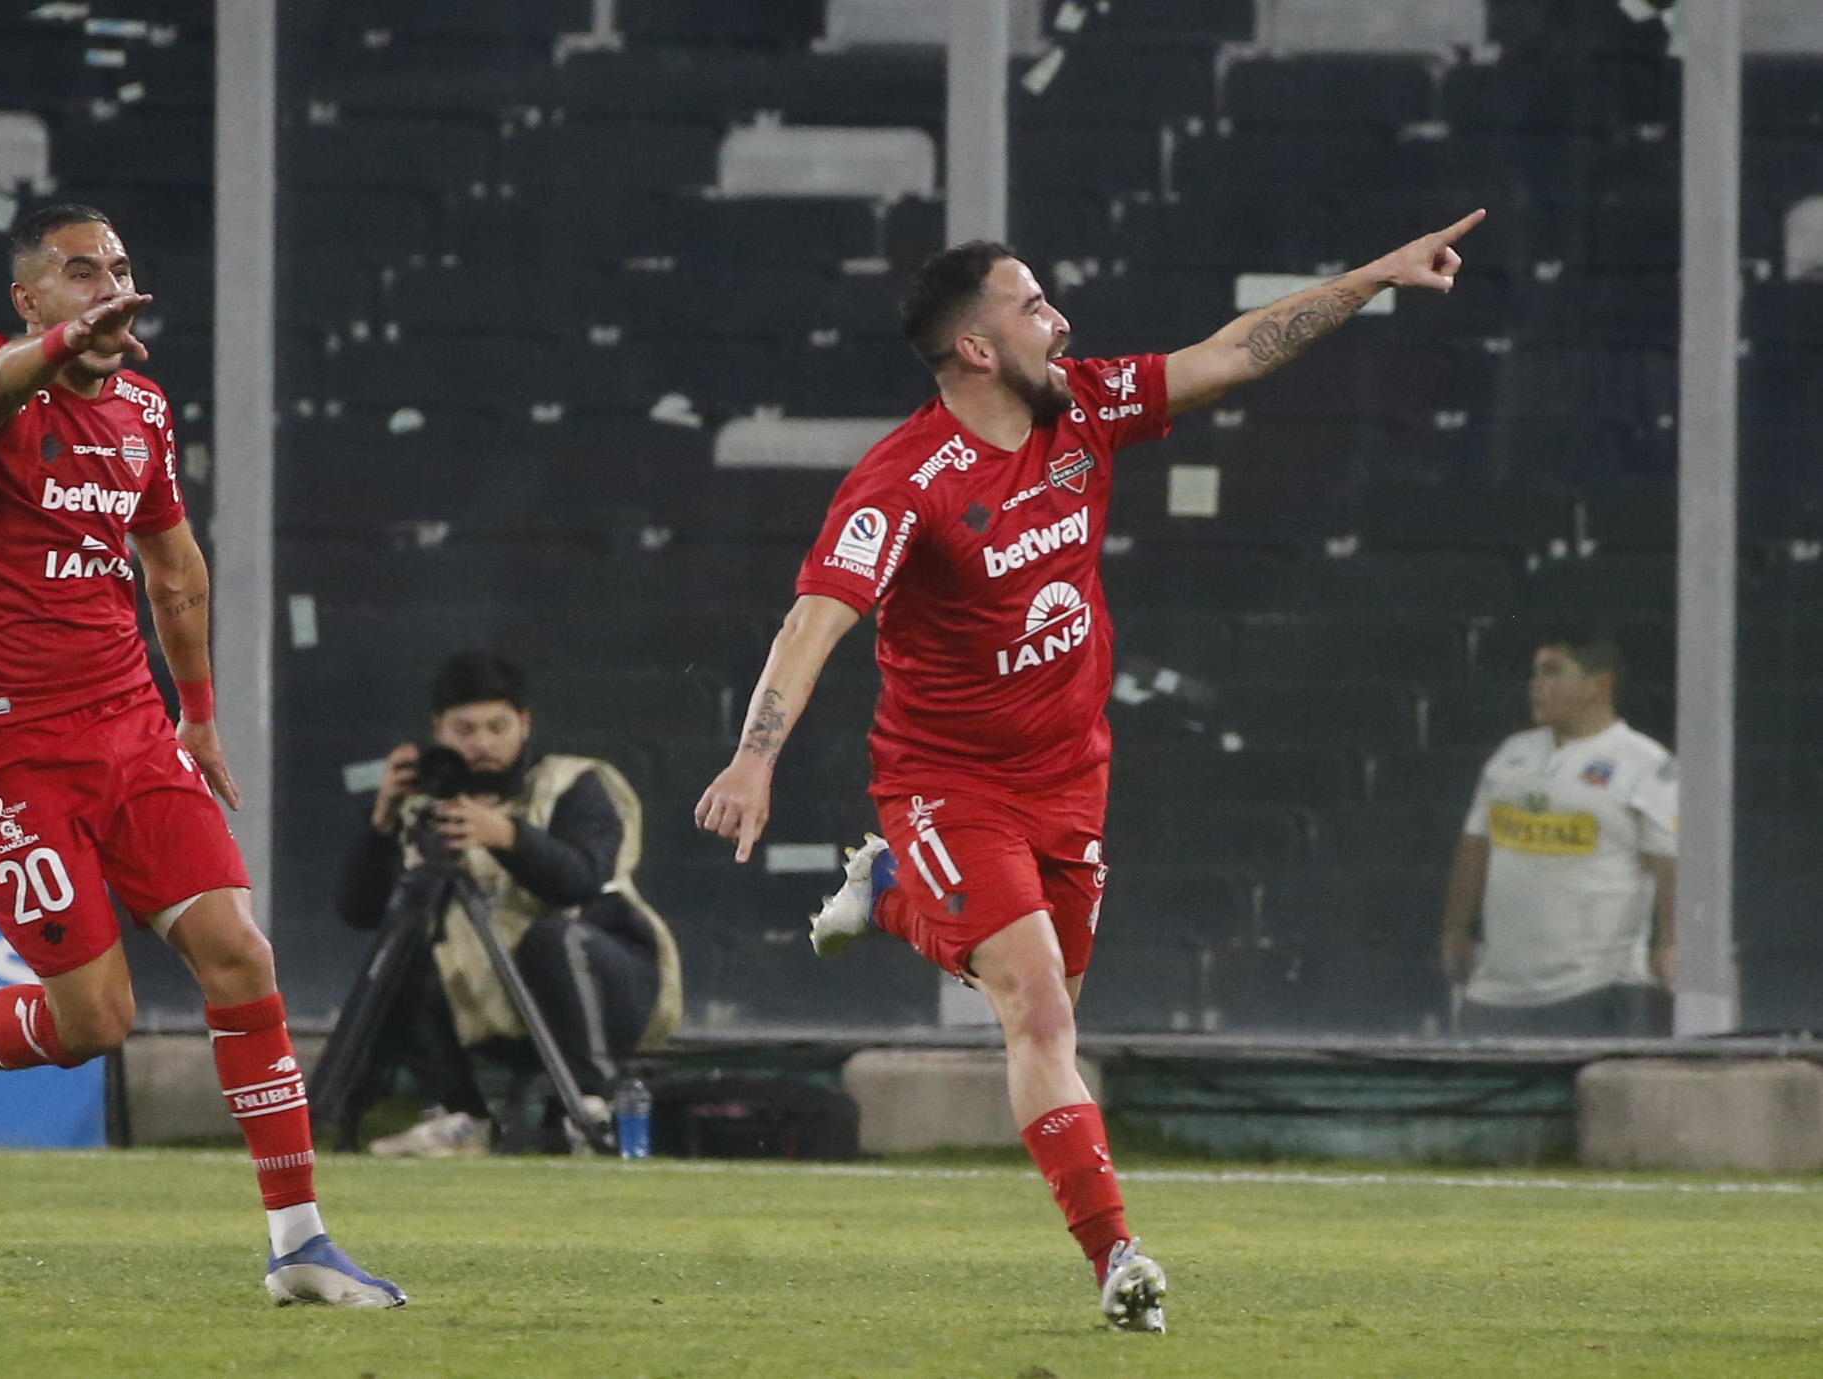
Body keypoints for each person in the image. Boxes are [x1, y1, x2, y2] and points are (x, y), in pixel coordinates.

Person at [695, 212, 1486, 1332]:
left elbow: (1235, 351)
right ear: (977, 347)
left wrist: (1378, 277)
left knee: (1052, 1001)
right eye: (1033, 305)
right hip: (946, 781)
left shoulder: (1088, 406)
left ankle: (892, 892)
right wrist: (754, 756)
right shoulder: (905, 481)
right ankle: (1119, 1258)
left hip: (1070, 778)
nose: (1059, 320)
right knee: (1036, 1009)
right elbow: (816, 618)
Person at [0, 204, 403, 1308]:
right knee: (95, 1022)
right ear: (29, 300)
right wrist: (63, 344)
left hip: (130, 728)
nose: (107, 285)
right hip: (3, 747)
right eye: (79, 272)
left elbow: (174, 565)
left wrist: (197, 713)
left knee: (240, 955)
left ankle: (299, 1242)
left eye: (119, 268)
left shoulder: (143, 410)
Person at [324, 653, 680, 1157]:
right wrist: (382, 823)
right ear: (438, 731)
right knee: (406, 952)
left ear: (524, 724)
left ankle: (592, 1106)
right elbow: (359, 911)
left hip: (610, 987)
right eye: (465, 730)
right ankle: (462, 1118)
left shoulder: (574, 784)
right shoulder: (424, 807)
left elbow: (583, 878)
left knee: (551, 939)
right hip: (493, 1001)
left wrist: (507, 836)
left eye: (497, 727)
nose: (483, 744)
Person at [1438, 630, 1678, 1036]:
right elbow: (1475, 845)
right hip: (1496, 990)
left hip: (1596, 986)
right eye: (1534, 674)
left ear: (1599, 684)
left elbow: (1670, 864)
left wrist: (1670, 942)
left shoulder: (1646, 763)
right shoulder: (1512, 753)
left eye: (1552, 673)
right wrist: (1455, 929)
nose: (1536, 686)